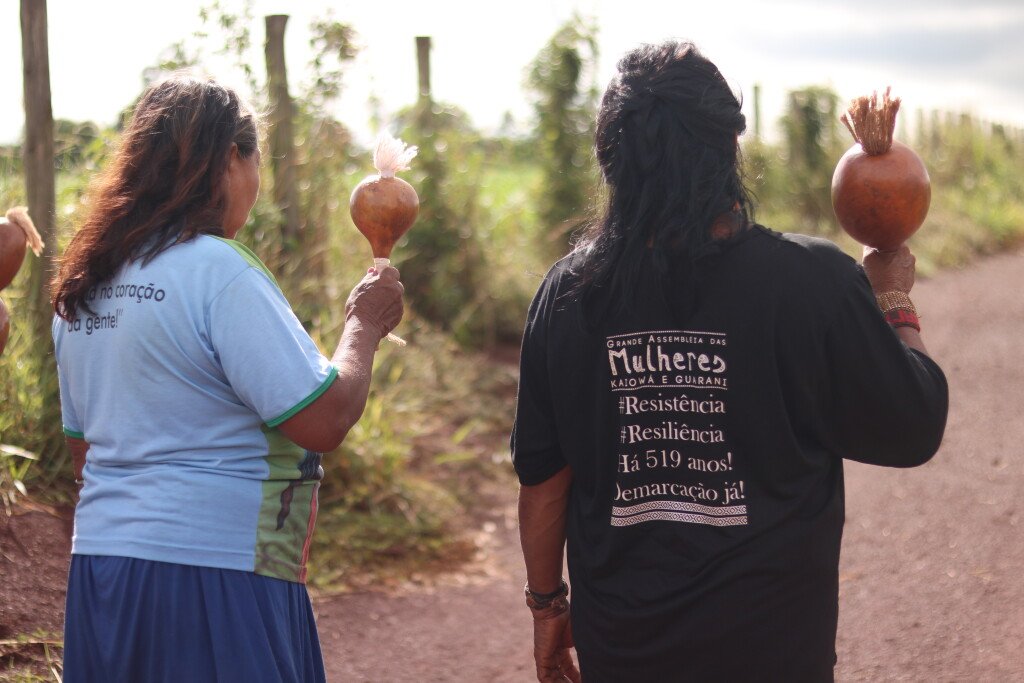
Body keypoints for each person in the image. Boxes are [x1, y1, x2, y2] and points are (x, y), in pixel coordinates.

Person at [512, 41, 948, 682]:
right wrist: (892, 297)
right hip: (773, 649)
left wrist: (547, 607)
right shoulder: (813, 283)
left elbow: (545, 485)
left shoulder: (568, 295)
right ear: (729, 150)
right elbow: (914, 426)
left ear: (611, 160)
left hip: (624, 651)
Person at [51, 76, 404, 682]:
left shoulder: (87, 283)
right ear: (230, 160)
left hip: (103, 570)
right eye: (256, 158)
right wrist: (365, 323)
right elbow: (323, 418)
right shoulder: (218, 271)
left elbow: (85, 453)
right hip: (217, 573)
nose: (257, 183)